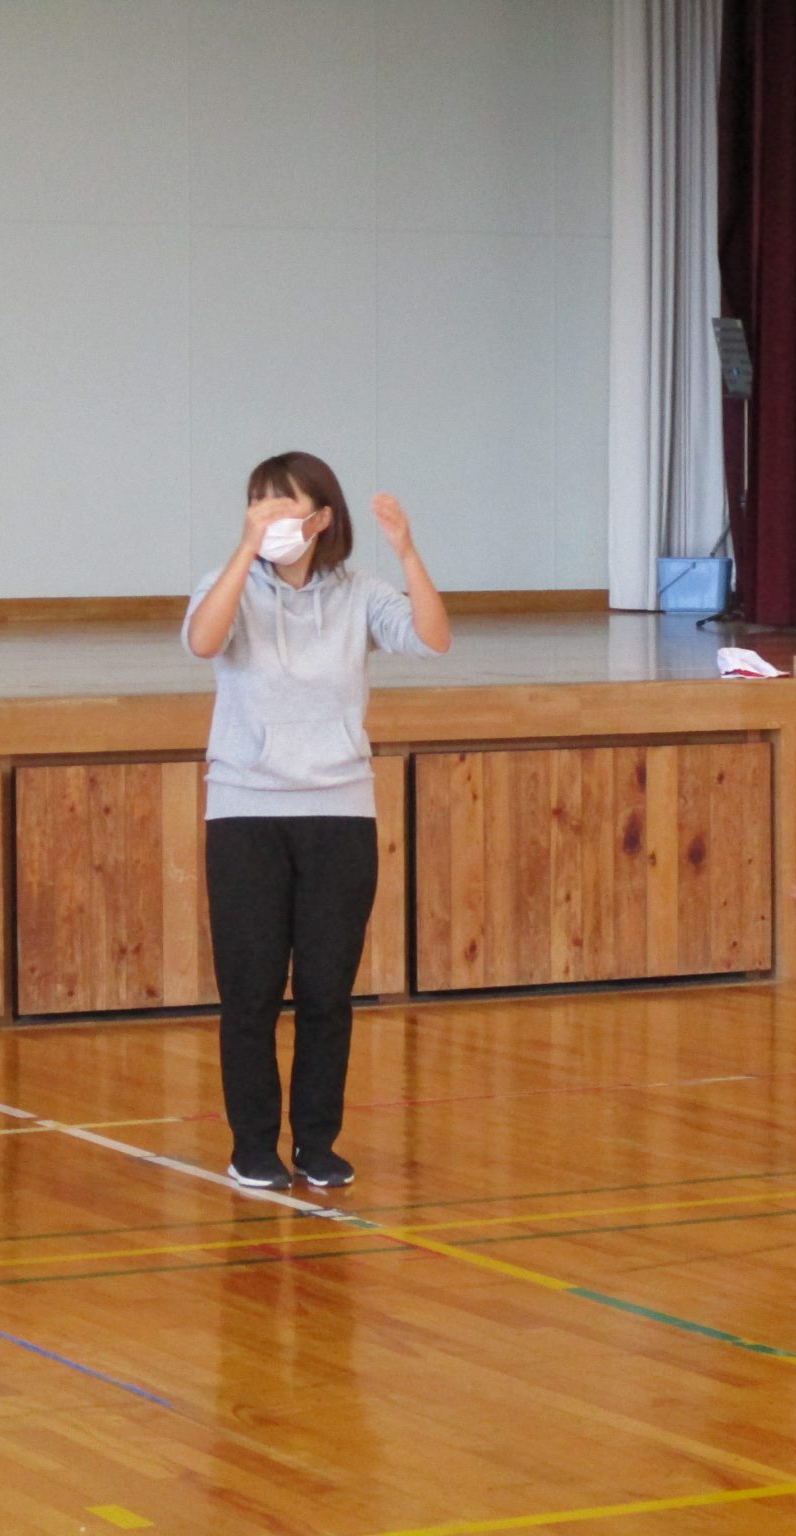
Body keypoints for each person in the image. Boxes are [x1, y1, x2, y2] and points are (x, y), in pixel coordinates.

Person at [183, 452, 451, 1190]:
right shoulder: (227, 585)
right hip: (246, 811)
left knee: (329, 990)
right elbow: (204, 641)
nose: (271, 520)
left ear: (322, 517)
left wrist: (407, 553)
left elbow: (433, 638)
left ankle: (318, 1142)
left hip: (339, 810)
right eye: (257, 507)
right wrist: (246, 553)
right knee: (252, 989)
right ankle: (253, 1147)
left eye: (284, 507)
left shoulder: (358, 595)